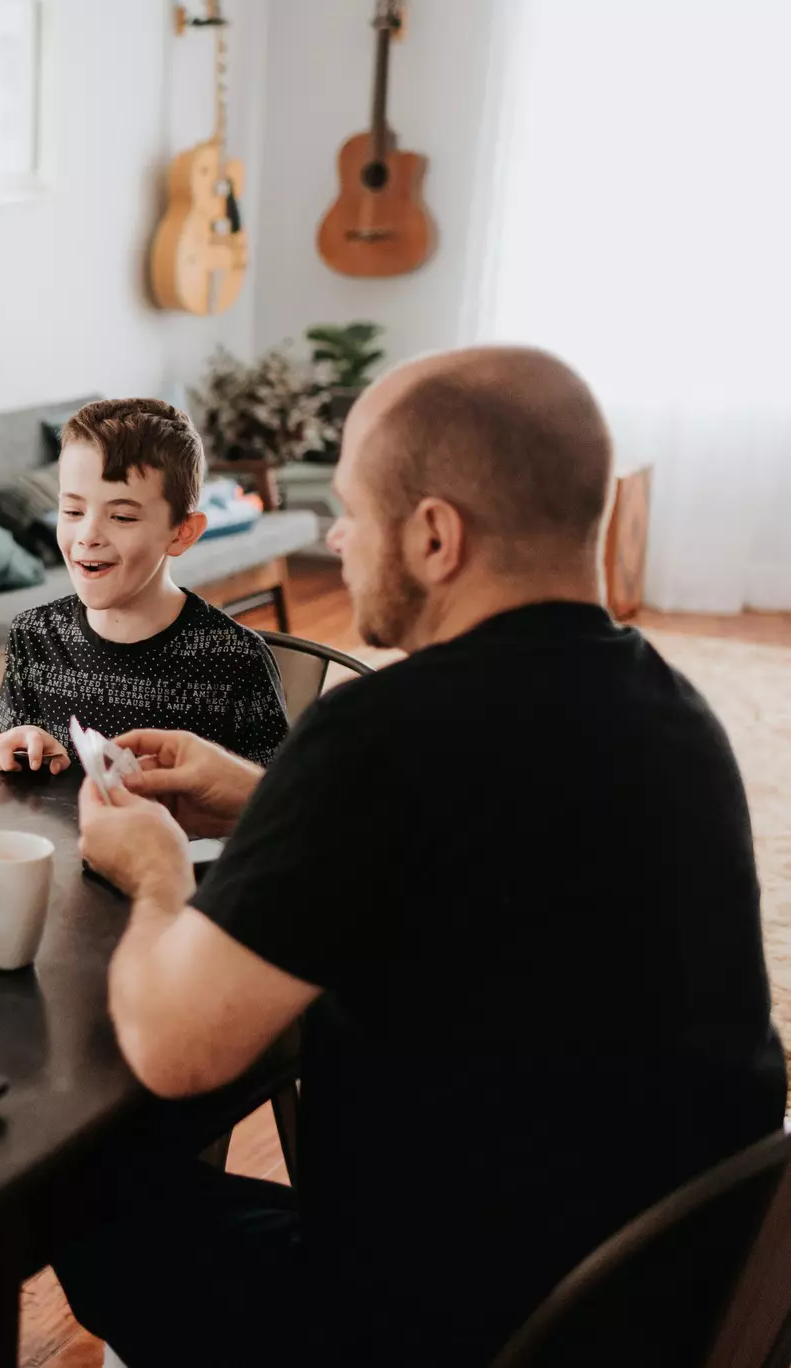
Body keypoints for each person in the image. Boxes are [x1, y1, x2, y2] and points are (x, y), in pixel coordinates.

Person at [56, 347, 787, 1366]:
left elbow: (178, 1048)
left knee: (86, 1203)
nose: (337, 538)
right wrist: (269, 796)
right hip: (662, 1298)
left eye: (352, 509)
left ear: (436, 535)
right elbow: (488, 847)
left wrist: (155, 866)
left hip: (454, 1333)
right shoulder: (671, 711)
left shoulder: (383, 734)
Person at [0, 398, 288, 777]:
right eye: (73, 511)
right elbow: (15, 773)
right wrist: (19, 742)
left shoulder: (235, 659)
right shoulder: (33, 636)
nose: (88, 535)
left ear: (182, 532)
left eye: (122, 516)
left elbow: (275, 807)